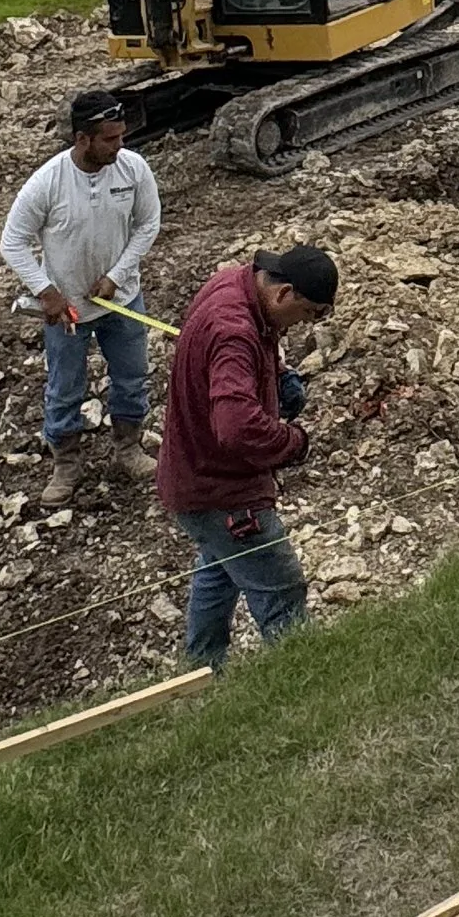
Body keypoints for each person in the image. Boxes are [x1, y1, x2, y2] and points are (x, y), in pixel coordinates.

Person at [156, 243, 338, 668]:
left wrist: (274, 376)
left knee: (219, 572)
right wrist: (293, 443)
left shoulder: (236, 283)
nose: (303, 325)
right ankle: (306, 685)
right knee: (281, 587)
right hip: (221, 491)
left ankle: (201, 676)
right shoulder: (234, 330)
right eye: (310, 313)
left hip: (194, 474)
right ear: (283, 293)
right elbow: (236, 427)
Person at [0, 89, 164, 500]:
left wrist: (116, 276)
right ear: (83, 139)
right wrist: (47, 292)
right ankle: (66, 463)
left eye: (121, 136)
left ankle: (128, 447)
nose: (119, 146)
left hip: (122, 301)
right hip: (67, 312)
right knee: (65, 387)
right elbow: (12, 242)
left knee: (130, 378)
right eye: (110, 138)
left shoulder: (133, 170)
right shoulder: (48, 183)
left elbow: (148, 225)